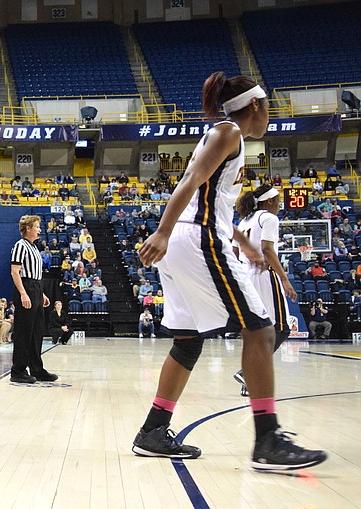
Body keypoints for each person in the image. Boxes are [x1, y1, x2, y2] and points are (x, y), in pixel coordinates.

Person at [132, 72, 326, 470]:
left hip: (190, 239)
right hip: (195, 240)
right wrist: (162, 232)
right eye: (268, 104)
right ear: (255, 105)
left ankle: (153, 431)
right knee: (261, 329)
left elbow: (210, 196)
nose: (270, 111)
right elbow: (190, 180)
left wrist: (243, 239)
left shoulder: (223, 135)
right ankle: (267, 440)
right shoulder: (229, 133)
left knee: (187, 341)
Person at [233, 185, 298, 397]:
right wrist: (285, 279)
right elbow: (268, 249)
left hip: (244, 275)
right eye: (278, 200)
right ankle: (247, 372)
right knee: (281, 328)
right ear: (269, 201)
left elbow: (234, 251)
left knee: (256, 331)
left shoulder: (243, 221)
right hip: (263, 274)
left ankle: (248, 383)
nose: (280, 205)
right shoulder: (268, 218)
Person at [9, 215, 57, 384]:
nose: (39, 230)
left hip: (36, 287)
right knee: (24, 331)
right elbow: (15, 272)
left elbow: (36, 275)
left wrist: (41, 293)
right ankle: (18, 370)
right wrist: (23, 293)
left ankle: (37, 368)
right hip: (26, 287)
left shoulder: (35, 248)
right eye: (36, 227)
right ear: (28, 228)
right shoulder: (20, 246)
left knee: (37, 331)